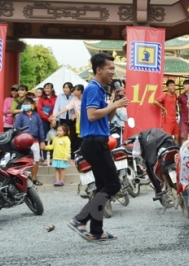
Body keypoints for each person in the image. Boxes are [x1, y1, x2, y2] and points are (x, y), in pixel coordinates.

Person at [68, 52, 129, 242]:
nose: (113, 72)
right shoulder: (93, 88)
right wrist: (116, 103)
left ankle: (96, 230)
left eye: (113, 68)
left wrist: (113, 102)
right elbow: (93, 115)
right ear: (99, 69)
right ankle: (79, 220)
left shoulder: (101, 89)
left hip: (97, 141)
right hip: (94, 142)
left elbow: (106, 117)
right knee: (113, 184)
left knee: (103, 186)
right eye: (110, 68)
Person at [14, 97, 45, 186]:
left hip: (35, 141)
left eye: (28, 103)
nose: (26, 105)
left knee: (36, 160)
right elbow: (17, 129)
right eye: (24, 103)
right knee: (24, 160)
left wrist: (42, 141)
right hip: (23, 141)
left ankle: (34, 178)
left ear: (32, 105)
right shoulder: (20, 116)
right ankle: (24, 179)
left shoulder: (37, 115)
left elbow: (40, 129)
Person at [50, 84, 84, 162]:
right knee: (77, 140)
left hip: (86, 124)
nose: (74, 92)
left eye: (75, 90)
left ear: (80, 91)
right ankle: (75, 158)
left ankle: (84, 157)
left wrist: (75, 114)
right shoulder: (75, 99)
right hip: (78, 124)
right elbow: (67, 107)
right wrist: (55, 115)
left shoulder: (86, 99)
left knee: (84, 140)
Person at [52, 82, 76, 151]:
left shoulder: (74, 96)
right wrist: (54, 117)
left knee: (72, 136)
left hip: (72, 118)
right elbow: (57, 107)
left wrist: (74, 114)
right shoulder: (60, 96)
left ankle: (72, 154)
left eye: (67, 88)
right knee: (61, 135)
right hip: (62, 117)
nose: (65, 89)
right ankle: (61, 151)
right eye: (64, 88)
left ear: (71, 89)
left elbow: (76, 107)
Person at [37, 82, 57, 165]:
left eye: (48, 88)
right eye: (45, 88)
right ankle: (45, 158)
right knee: (44, 139)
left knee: (54, 139)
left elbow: (56, 108)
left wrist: (52, 119)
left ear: (52, 89)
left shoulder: (56, 98)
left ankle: (53, 157)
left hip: (54, 120)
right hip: (44, 121)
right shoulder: (41, 98)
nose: (46, 90)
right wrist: (47, 118)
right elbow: (39, 110)